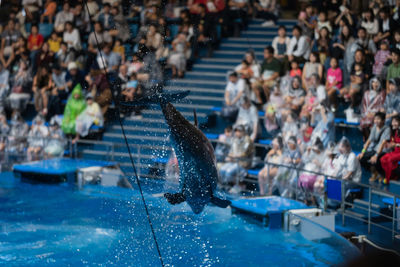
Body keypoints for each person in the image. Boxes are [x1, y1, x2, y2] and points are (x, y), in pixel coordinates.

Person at [219, 125, 254, 194]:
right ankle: (228, 185)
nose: (237, 132)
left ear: (243, 132)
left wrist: (234, 157)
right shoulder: (235, 140)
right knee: (222, 170)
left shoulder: (248, 140)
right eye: (236, 131)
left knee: (229, 172)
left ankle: (240, 185)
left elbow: (244, 154)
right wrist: (230, 156)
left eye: (239, 131)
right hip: (234, 161)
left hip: (244, 163)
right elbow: (231, 152)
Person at [358, 112, 390, 182]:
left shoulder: (387, 129)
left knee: (377, 160)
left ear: (383, 120)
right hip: (375, 149)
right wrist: (362, 152)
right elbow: (369, 140)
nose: (376, 121)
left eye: (378, 119)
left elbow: (383, 143)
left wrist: (376, 155)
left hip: (384, 150)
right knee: (361, 159)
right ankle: (374, 173)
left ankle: (382, 174)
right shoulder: (374, 127)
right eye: (375, 119)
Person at [379, 116, 400, 184]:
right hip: (395, 151)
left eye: (395, 121)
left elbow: (396, 144)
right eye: (392, 121)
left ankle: (388, 179)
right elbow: (393, 143)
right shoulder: (395, 131)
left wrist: (396, 145)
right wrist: (388, 144)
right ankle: (392, 176)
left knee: (389, 160)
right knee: (382, 159)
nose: (393, 123)